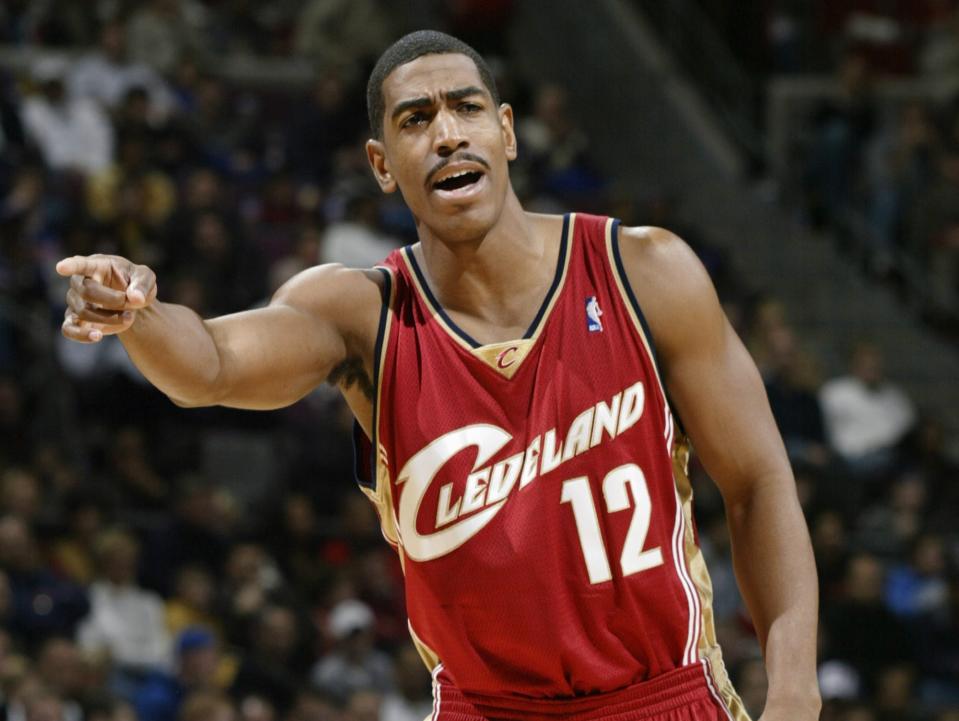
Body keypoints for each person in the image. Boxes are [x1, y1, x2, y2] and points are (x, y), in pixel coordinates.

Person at [56, 30, 820, 721]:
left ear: (508, 131)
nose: (447, 133)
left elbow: (756, 481)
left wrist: (792, 688)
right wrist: (138, 312)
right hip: (483, 708)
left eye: (466, 108)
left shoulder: (643, 271)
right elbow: (211, 366)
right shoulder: (360, 313)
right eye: (415, 119)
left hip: (661, 697)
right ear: (382, 165)